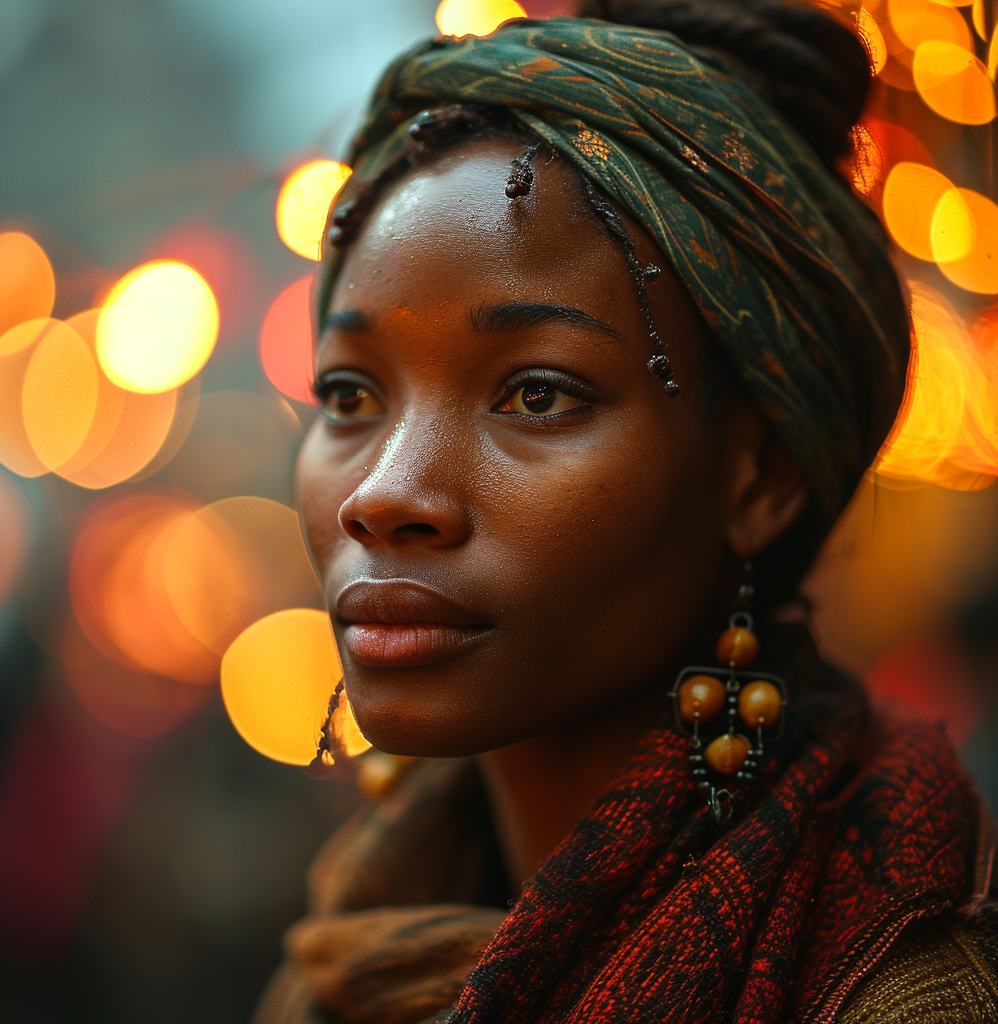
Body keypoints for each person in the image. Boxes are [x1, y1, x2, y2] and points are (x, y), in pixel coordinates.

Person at [258, 2, 998, 1021]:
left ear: (760, 474)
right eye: (349, 394)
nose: (383, 493)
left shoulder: (912, 984)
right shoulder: (350, 950)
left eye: (536, 393)